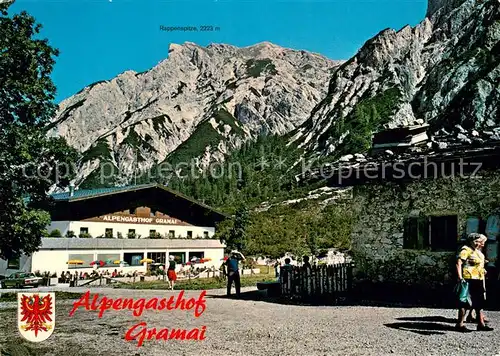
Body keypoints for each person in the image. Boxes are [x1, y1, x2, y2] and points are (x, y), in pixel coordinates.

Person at [455, 233, 493, 332]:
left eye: (480, 242)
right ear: (471, 241)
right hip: (468, 278)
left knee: (479, 302)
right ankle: (460, 324)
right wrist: (460, 277)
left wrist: (483, 269)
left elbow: (477, 264)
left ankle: (481, 324)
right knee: (465, 302)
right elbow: (459, 262)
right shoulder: (466, 249)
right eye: (477, 241)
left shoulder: (477, 252)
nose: (479, 244)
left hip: (478, 278)